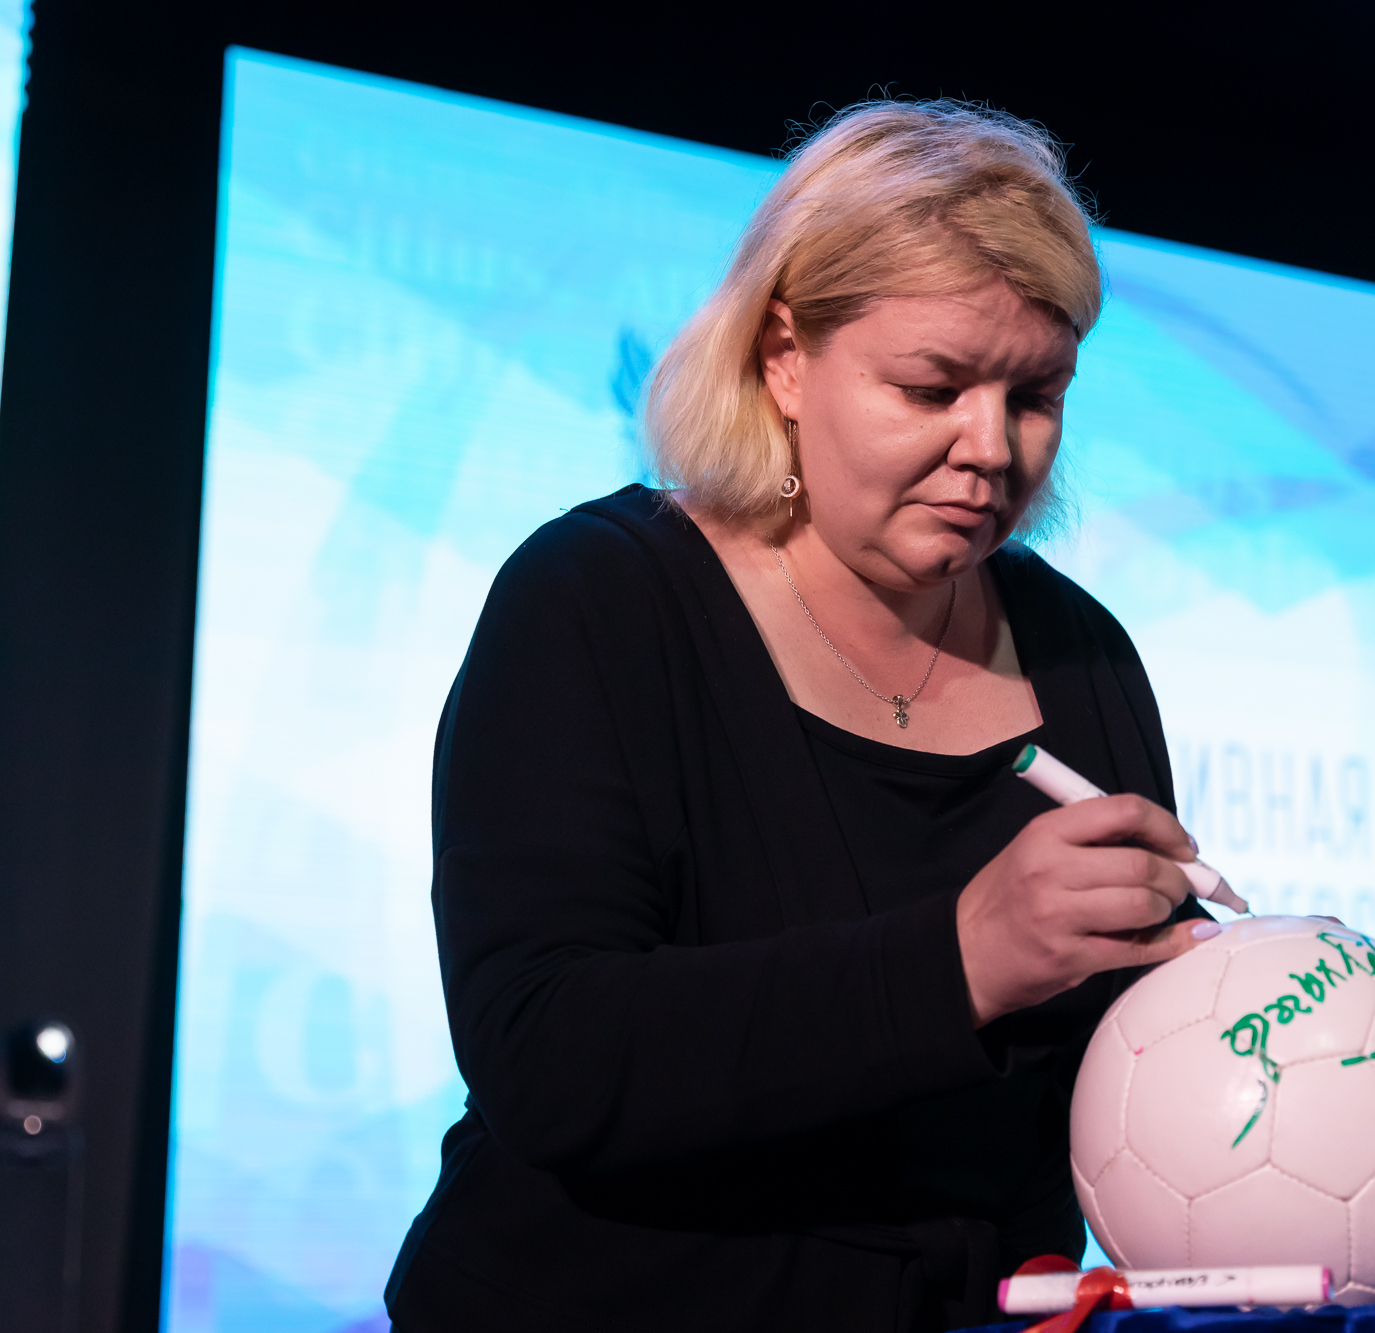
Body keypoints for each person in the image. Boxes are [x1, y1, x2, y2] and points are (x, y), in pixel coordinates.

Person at [383, 100, 1219, 1332]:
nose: (990, 447)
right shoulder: (598, 599)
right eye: (932, 387)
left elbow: (1103, 1096)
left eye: (1035, 395)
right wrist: (960, 960)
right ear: (783, 355)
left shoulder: (1080, 652)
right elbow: (548, 1054)